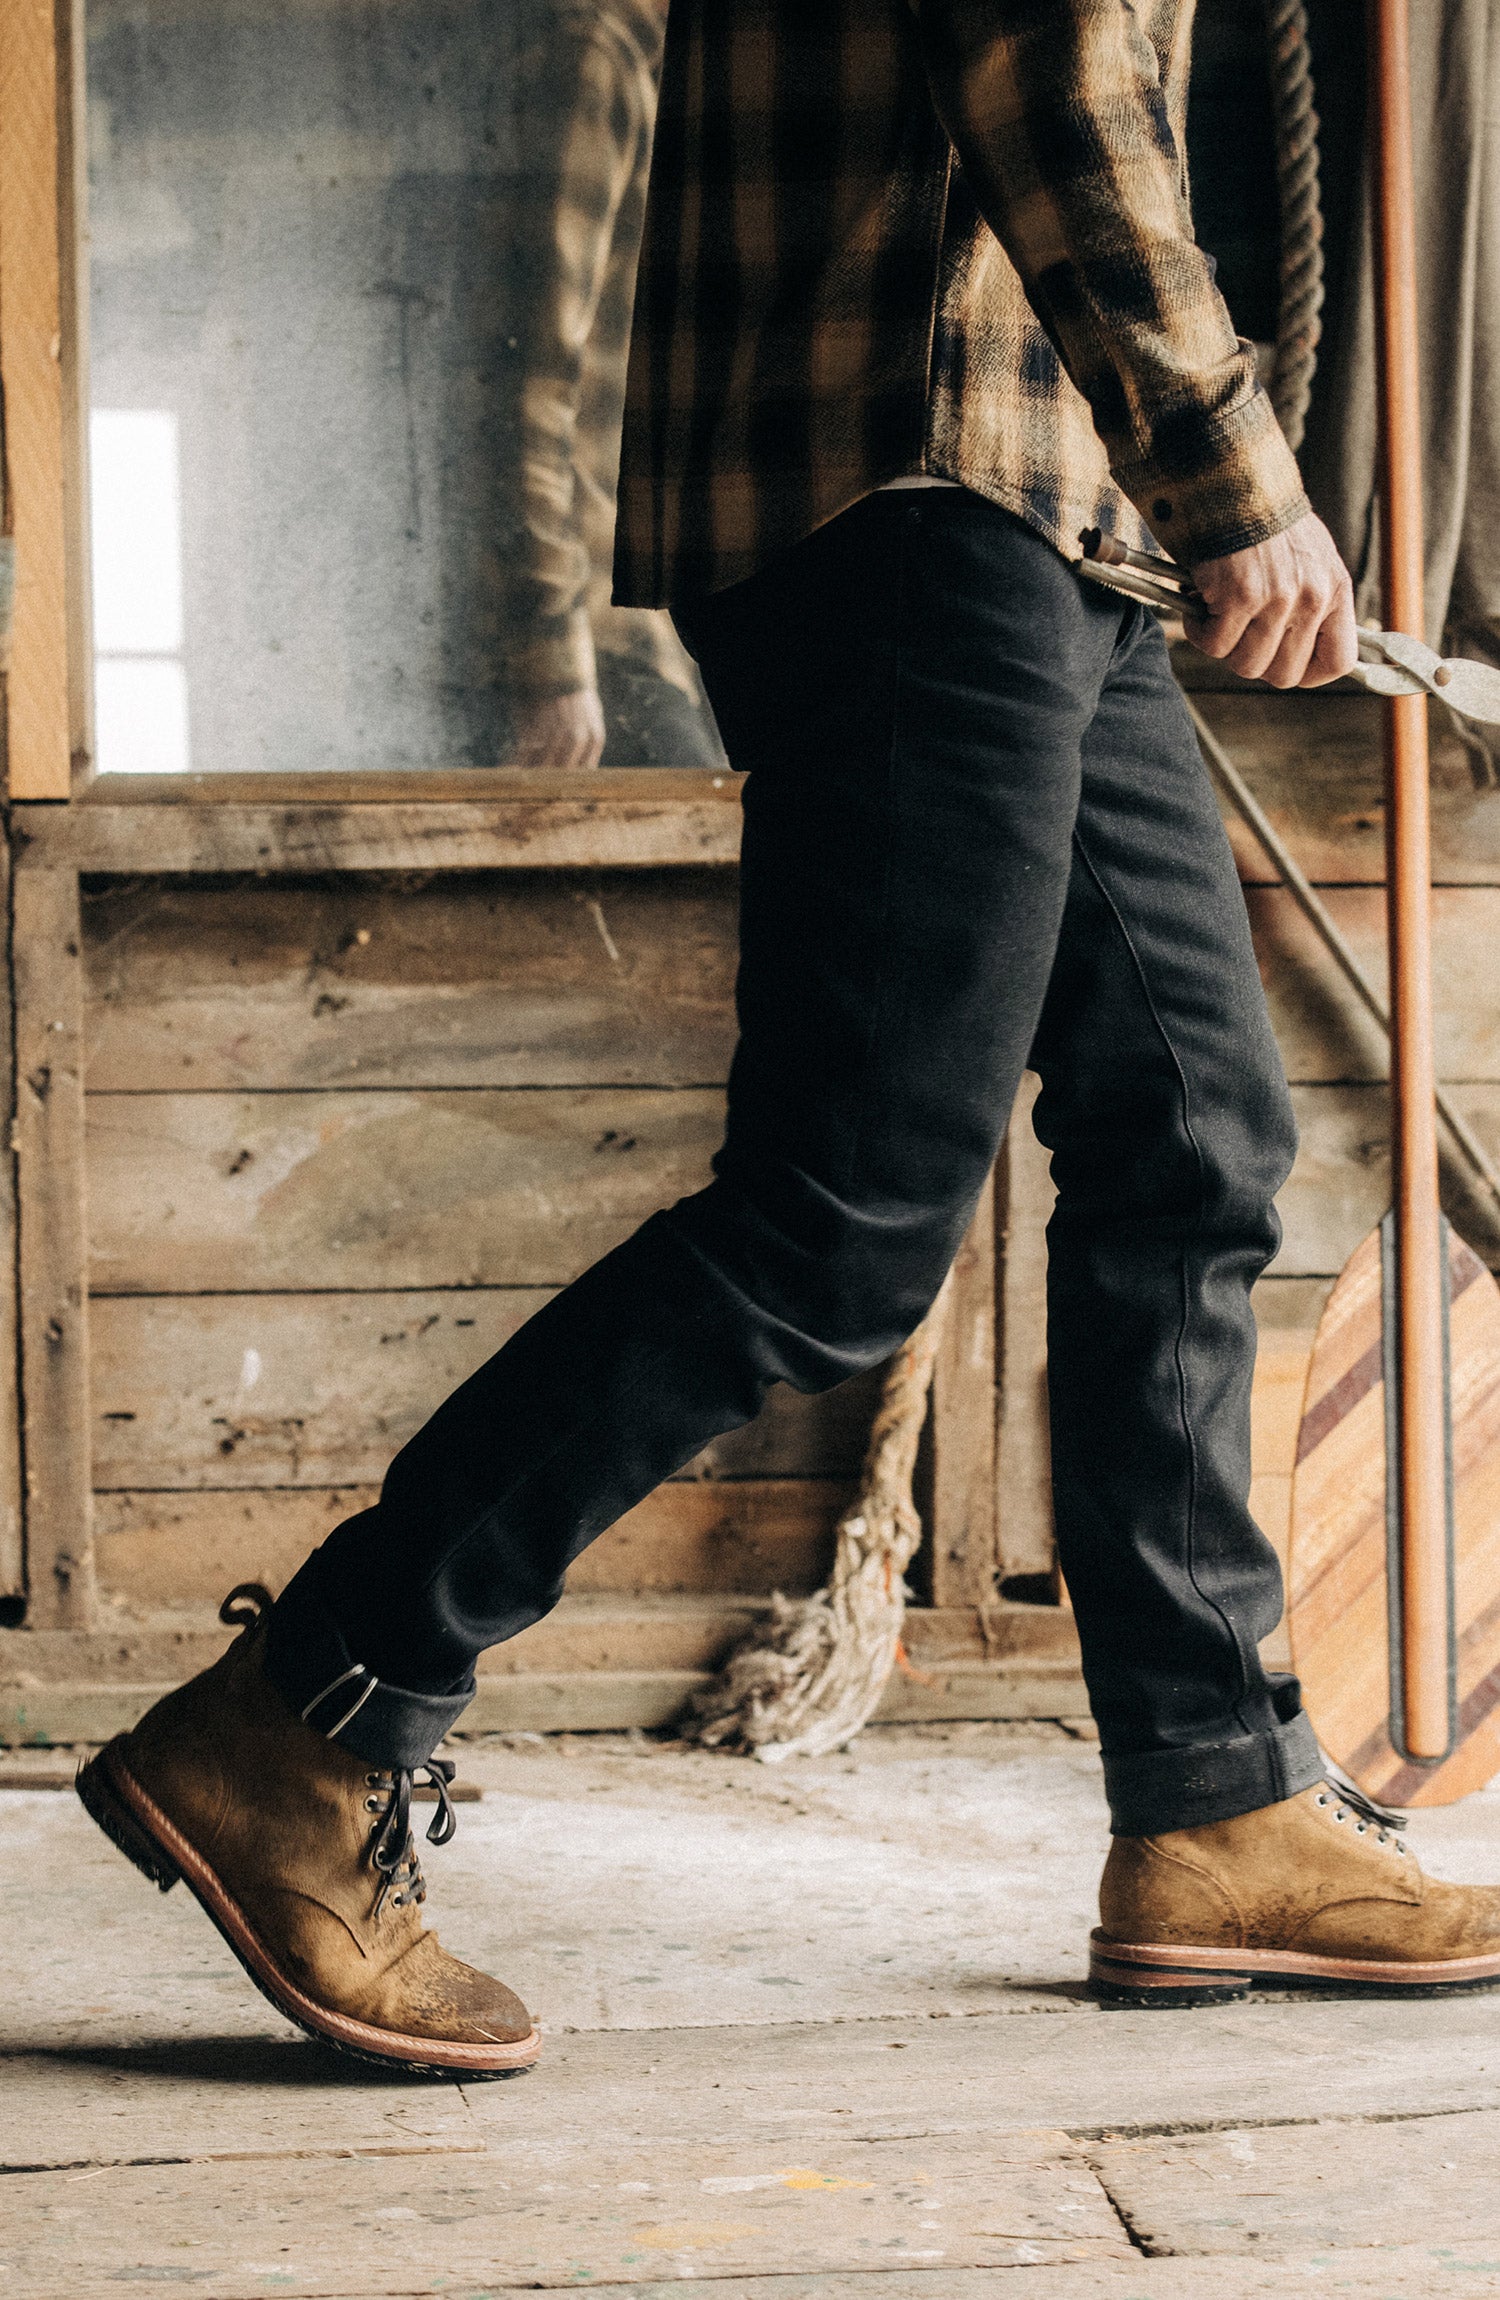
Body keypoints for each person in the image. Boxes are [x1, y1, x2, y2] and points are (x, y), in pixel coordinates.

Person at [80, 0, 1500, 2074]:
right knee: (845, 1209)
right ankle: (307, 1711)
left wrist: (1156, 476)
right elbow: (1048, 52)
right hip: (922, 472)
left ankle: (1212, 1798)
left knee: (1193, 1124)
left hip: (1036, 491)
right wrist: (1231, 457)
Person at [502, 0, 722, 769]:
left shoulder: (676, 69)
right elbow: (524, 380)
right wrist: (551, 659)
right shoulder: (598, 57)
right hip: (593, 635)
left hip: (661, 636)